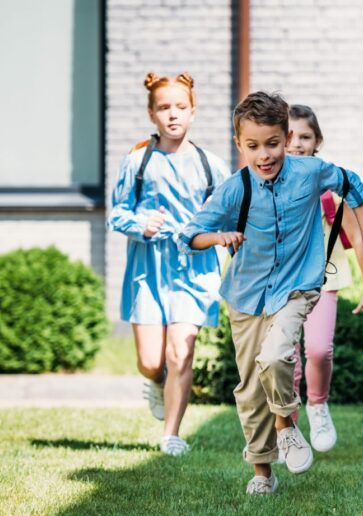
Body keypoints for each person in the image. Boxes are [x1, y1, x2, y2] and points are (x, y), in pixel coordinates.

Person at [177, 91, 363, 494]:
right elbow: (189, 235)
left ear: (286, 136)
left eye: (273, 144)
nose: (264, 155)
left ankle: (288, 423)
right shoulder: (234, 188)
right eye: (253, 146)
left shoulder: (309, 172)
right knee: (251, 388)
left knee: (275, 356)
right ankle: (263, 474)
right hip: (245, 296)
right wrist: (218, 236)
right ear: (239, 144)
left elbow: (353, 184)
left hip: (298, 287)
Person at [108, 72, 229, 456]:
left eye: (180, 107)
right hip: (148, 271)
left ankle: (171, 434)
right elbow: (116, 214)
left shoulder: (211, 166)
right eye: (164, 108)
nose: (172, 115)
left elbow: (230, 214)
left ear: (193, 112)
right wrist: (140, 224)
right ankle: (155, 380)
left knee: (182, 351)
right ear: (151, 113)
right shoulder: (138, 162)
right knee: (150, 361)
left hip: (195, 270)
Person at [279, 104, 363, 454]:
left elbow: (358, 239)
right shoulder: (270, 185)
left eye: (305, 136)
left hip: (322, 281)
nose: (296, 143)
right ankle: (289, 427)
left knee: (318, 350)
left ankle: (318, 406)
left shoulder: (329, 193)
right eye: (289, 136)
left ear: (318, 142)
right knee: (287, 361)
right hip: (282, 285)